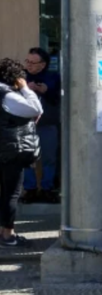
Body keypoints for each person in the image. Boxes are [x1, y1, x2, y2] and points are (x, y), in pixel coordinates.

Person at [0, 59, 43, 246]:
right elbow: (36, 108)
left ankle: (3, 231)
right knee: (11, 192)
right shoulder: (6, 95)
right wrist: (25, 88)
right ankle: (7, 235)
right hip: (9, 150)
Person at [22, 47, 61, 203]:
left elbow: (55, 96)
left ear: (43, 64)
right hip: (25, 125)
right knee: (27, 158)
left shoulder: (53, 77)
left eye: (33, 62)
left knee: (49, 158)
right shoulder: (21, 77)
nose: (29, 65)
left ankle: (47, 189)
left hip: (47, 124)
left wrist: (43, 89)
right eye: (28, 61)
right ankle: (30, 189)